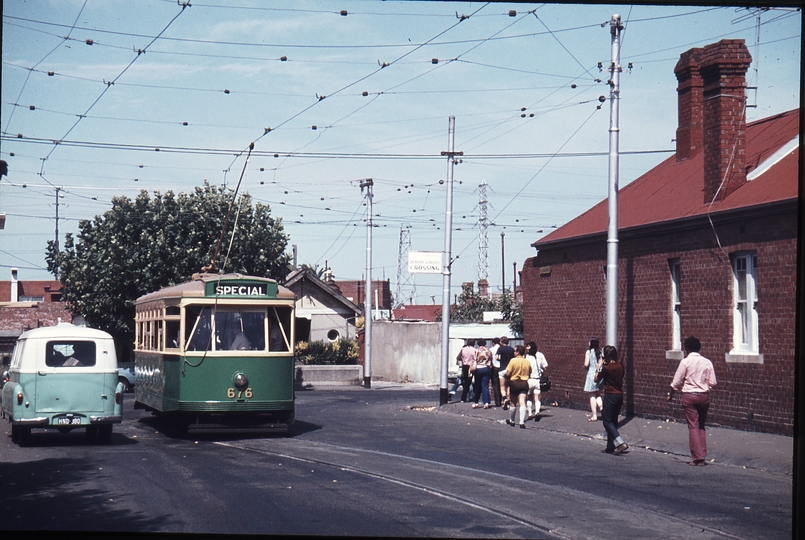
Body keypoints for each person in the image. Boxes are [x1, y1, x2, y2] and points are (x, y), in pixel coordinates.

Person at [668, 336, 717, 466]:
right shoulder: (707, 362)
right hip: (704, 395)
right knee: (701, 425)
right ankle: (703, 453)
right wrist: (705, 388)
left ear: (687, 348)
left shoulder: (685, 362)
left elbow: (676, 383)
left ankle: (697, 457)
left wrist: (671, 395)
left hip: (689, 395)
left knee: (693, 426)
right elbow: (713, 382)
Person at [594, 345, 628, 455]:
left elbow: (596, 379)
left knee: (606, 421)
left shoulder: (607, 368)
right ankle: (610, 446)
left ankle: (620, 443)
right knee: (613, 420)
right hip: (619, 395)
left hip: (610, 395)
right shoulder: (620, 366)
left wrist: (599, 366)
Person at [504, 345, 532, 428]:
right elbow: (530, 373)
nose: (514, 352)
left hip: (514, 383)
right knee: (522, 402)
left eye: (515, 351)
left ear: (518, 352)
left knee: (513, 402)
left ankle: (512, 420)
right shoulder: (527, 362)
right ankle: (521, 422)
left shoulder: (513, 361)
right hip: (524, 383)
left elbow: (508, 373)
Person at [525, 342, 548, 420]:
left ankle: (530, 413)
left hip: (529, 380)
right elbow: (545, 366)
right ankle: (537, 411)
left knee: (529, 397)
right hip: (538, 380)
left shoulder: (526, 357)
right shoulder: (540, 355)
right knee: (537, 397)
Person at [583, 338, 604, 421]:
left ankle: (594, 415)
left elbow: (586, 364)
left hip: (591, 374)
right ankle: (602, 407)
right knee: (598, 393)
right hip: (599, 374)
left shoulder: (589, 352)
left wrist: (586, 366)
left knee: (592, 395)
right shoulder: (600, 352)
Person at [471, 339, 493, 409]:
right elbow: (490, 359)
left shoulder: (476, 351)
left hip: (478, 369)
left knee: (477, 386)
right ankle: (486, 402)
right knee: (485, 386)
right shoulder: (488, 351)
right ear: (485, 344)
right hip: (486, 368)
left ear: (478, 344)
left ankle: (476, 402)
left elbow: (474, 359)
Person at [496, 336, 515, 409]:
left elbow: (496, 357)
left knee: (502, 386)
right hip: (509, 369)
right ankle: (509, 399)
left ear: (501, 342)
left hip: (502, 369)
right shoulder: (511, 349)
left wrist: (500, 360)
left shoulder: (500, 349)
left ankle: (504, 398)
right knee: (509, 385)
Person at [488, 337, 502, 407]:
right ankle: (505, 400)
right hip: (502, 368)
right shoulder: (502, 349)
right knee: (503, 385)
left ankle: (498, 402)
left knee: (495, 385)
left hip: (494, 368)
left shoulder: (491, 349)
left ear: (493, 343)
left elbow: (489, 359)